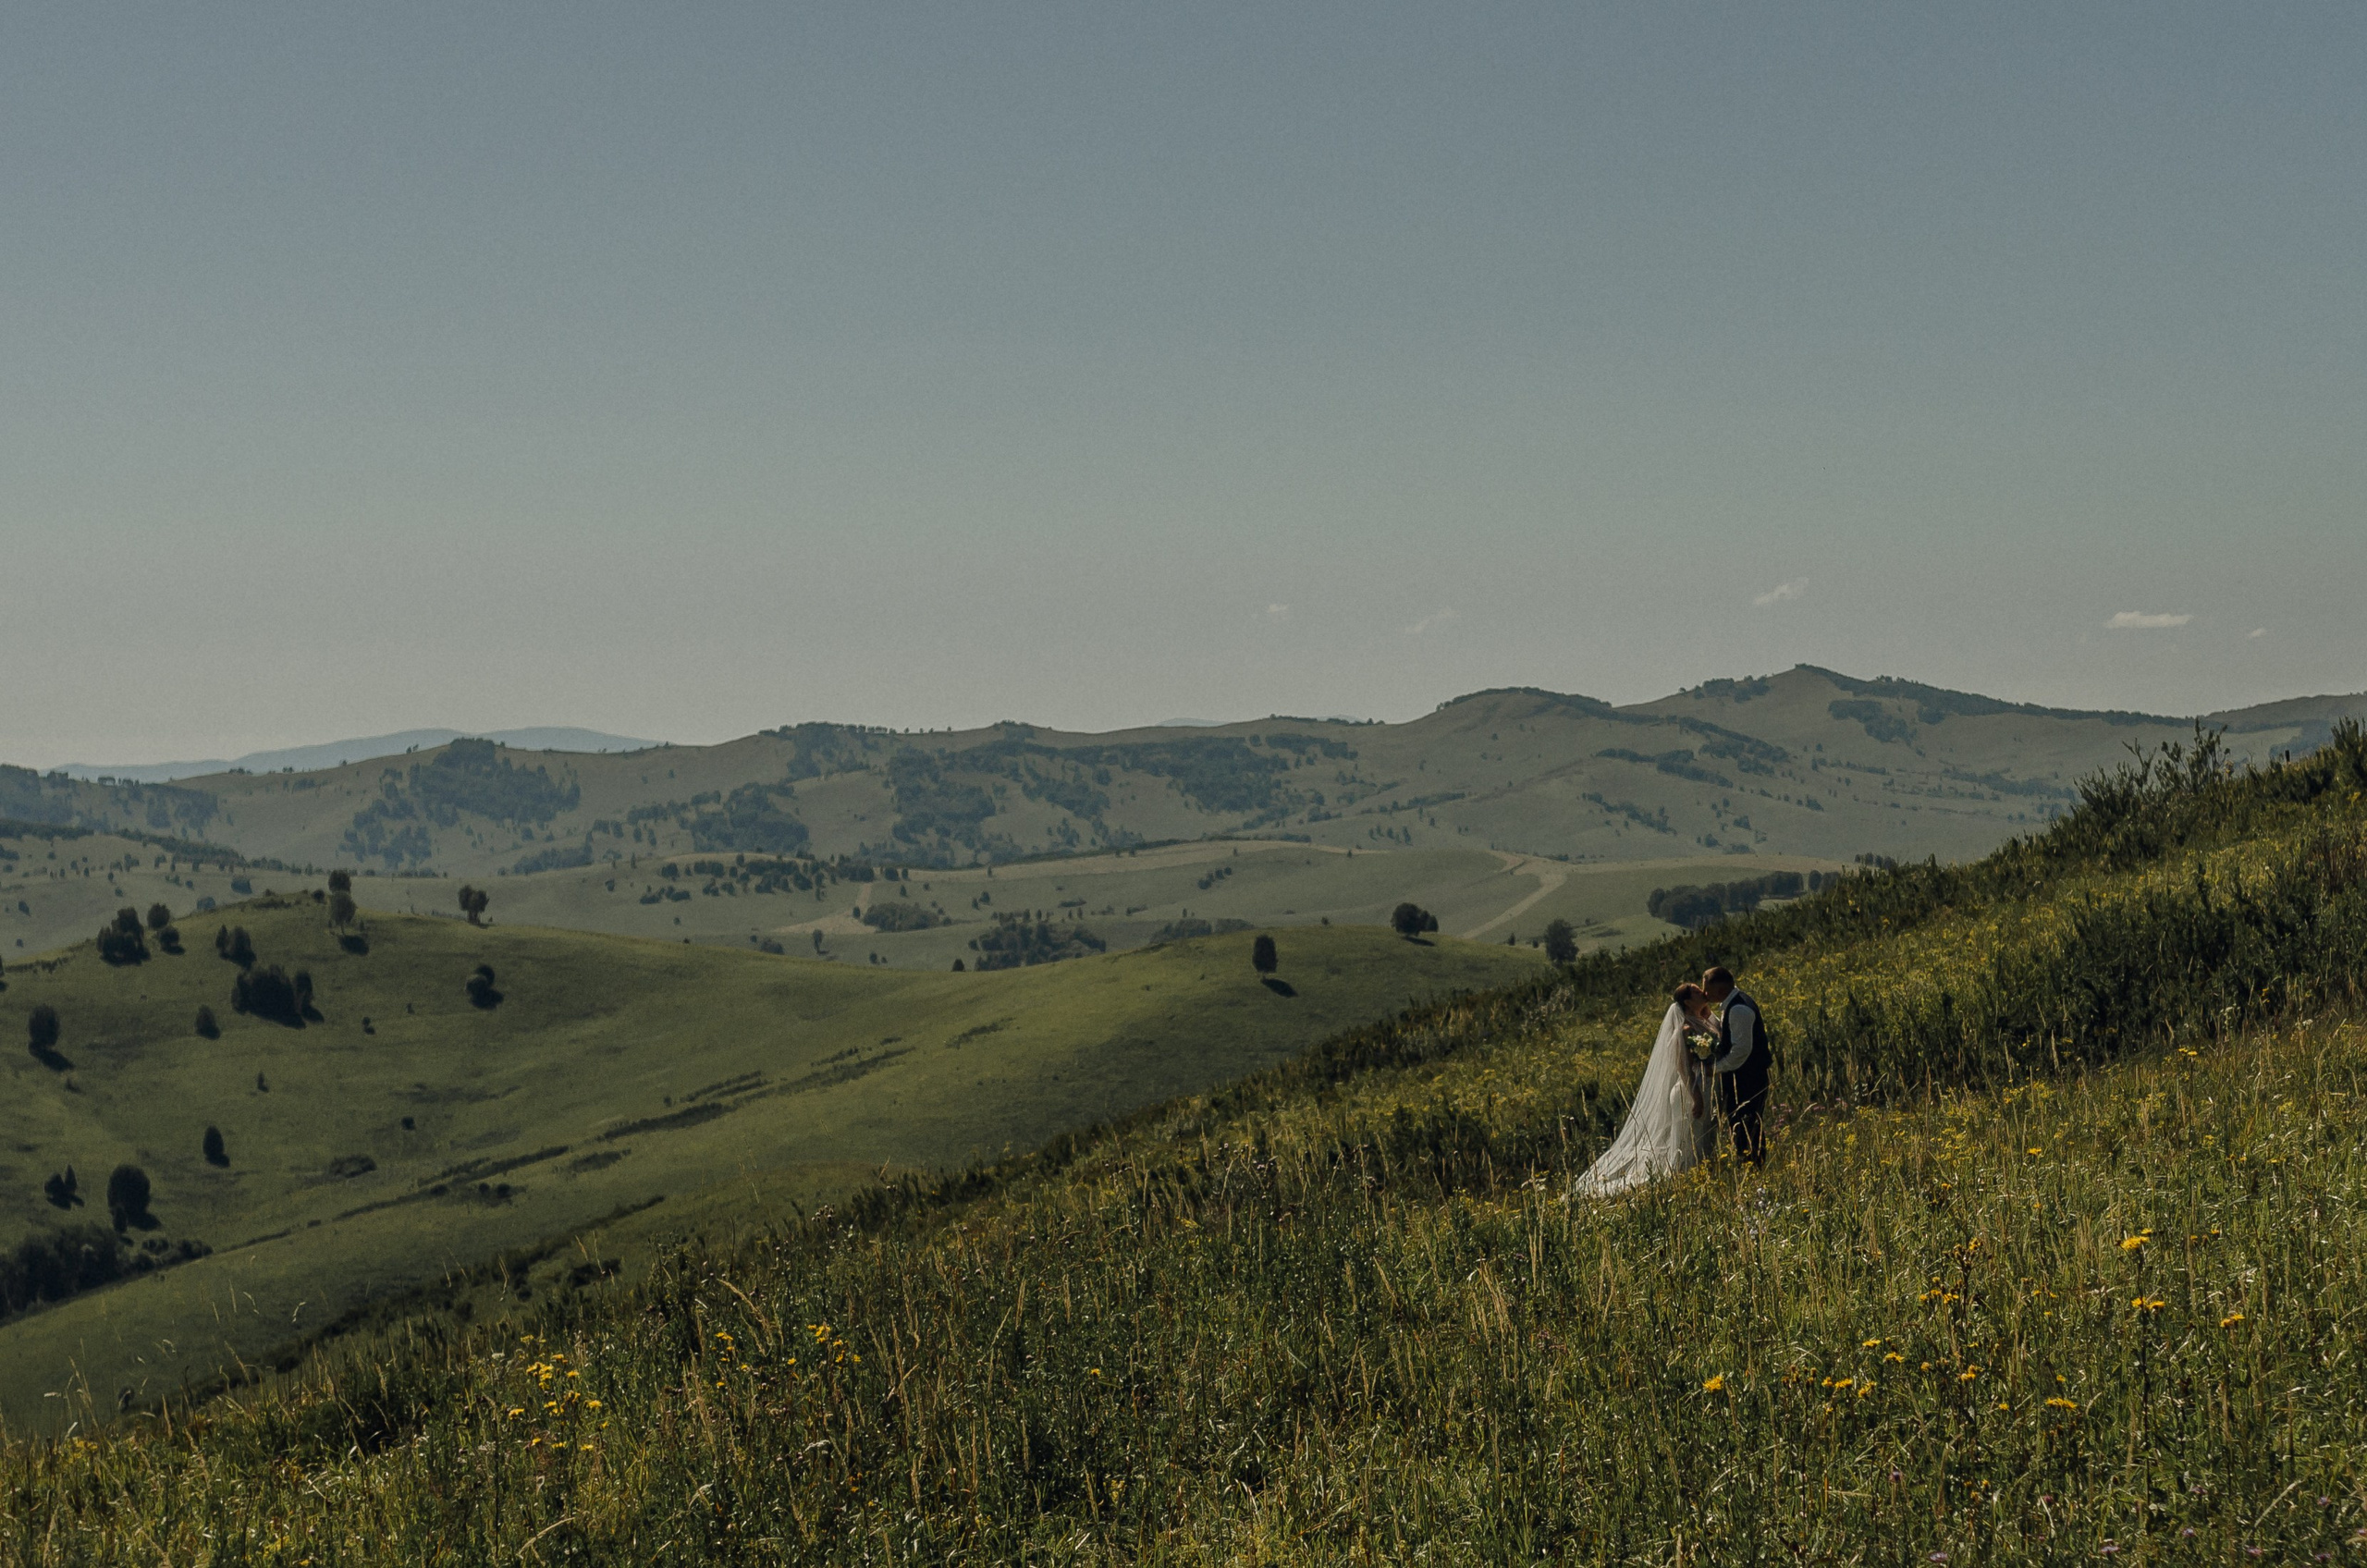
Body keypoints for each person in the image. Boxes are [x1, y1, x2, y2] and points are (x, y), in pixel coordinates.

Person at [1570, 984, 1722, 1196]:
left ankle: (1701, 1181)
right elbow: (1682, 1066)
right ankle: (1686, 1186)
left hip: (1706, 1089)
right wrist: (1696, 1096)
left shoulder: (1702, 1021)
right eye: (1697, 991)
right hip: (1690, 1093)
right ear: (1687, 1001)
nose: (1703, 992)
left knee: (1705, 1139)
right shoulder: (1685, 1029)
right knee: (1690, 1143)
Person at [1701, 965, 1772, 1167]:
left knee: (1746, 1125)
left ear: (1720, 990)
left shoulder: (1739, 1009)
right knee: (1743, 1124)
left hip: (1748, 1078)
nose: (1705, 994)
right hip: (1744, 1076)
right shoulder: (1732, 1004)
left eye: (1707, 990)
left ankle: (1753, 1166)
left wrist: (1715, 1068)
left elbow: (1740, 1052)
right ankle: (1750, 1163)